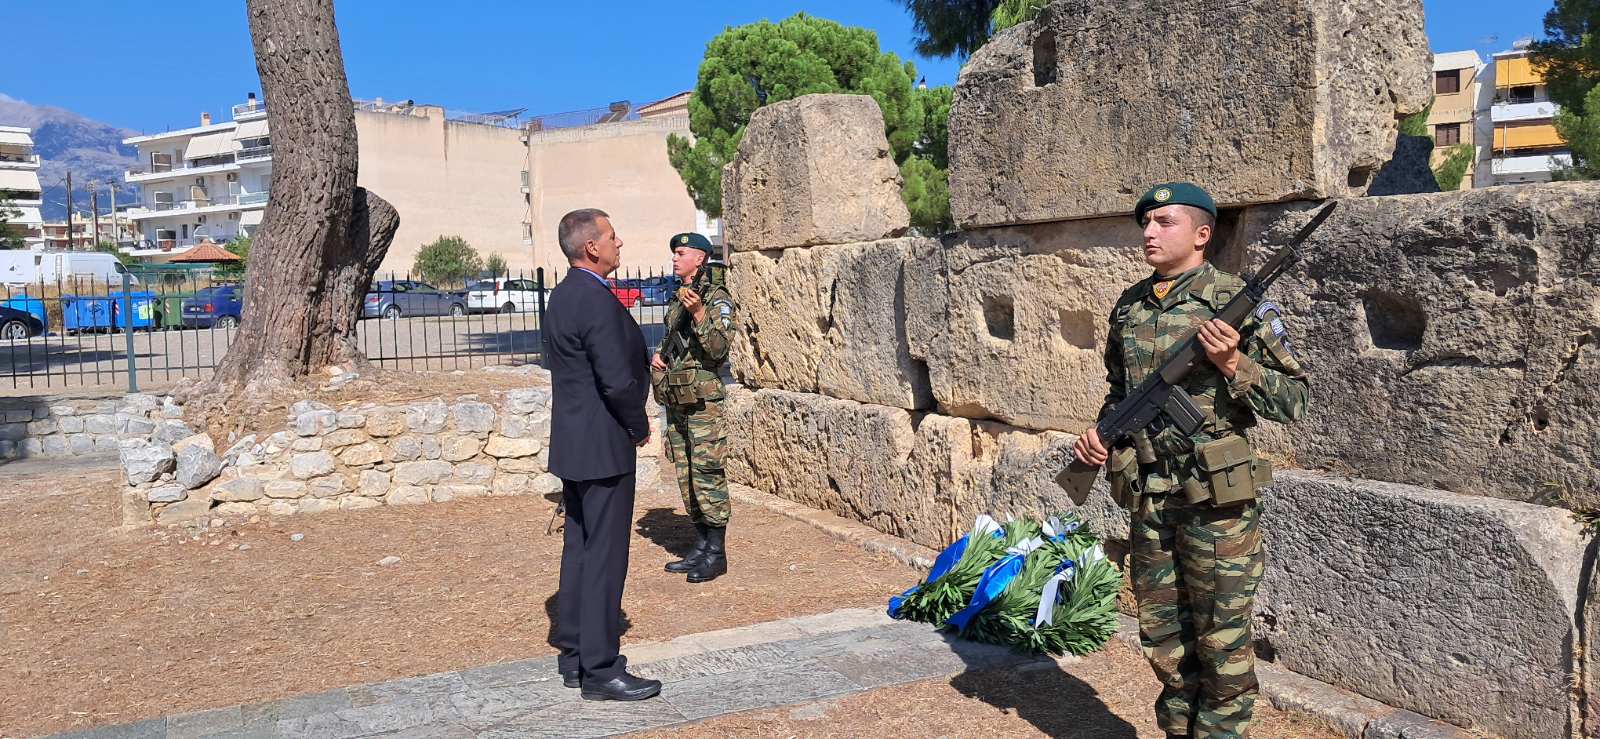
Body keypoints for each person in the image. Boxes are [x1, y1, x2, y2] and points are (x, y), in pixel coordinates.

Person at [1072, 183, 1309, 739]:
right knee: (1164, 639)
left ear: (1202, 234)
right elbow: (1120, 389)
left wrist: (1233, 364)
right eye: (1146, 223)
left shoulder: (1232, 301)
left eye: (1165, 222)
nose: (1150, 233)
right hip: (1151, 496)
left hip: (1216, 503)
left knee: (1222, 642)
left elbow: (1295, 400)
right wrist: (1101, 434)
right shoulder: (1130, 305)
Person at [543, 207, 661, 702]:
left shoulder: (564, 295)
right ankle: (600, 668)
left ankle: (574, 653)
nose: (620, 243)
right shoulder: (593, 300)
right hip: (604, 444)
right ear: (591, 247)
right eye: (612, 236)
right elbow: (615, 381)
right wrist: (638, 425)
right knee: (606, 558)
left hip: (574, 443)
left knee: (580, 551)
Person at [649, 232, 736, 583]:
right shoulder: (677, 299)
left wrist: (699, 312)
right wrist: (659, 356)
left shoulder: (715, 298)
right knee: (686, 473)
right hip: (678, 399)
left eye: (681, 252)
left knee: (707, 473)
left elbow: (717, 350)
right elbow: (675, 343)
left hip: (703, 404)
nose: (674, 257)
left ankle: (717, 553)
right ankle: (700, 544)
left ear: (699, 259)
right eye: (674, 252)